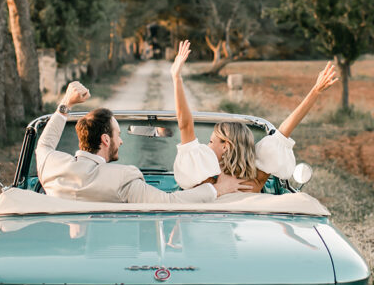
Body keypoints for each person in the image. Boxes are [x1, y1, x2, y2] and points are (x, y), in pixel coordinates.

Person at [36, 80, 247, 203]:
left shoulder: (50, 165)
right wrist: (217, 190)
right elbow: (170, 203)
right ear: (106, 140)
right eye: (119, 135)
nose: (122, 142)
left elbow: (44, 145)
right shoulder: (123, 179)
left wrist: (66, 103)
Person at [170, 40, 338, 193]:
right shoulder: (256, 181)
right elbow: (284, 131)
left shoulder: (206, 182)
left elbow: (185, 125)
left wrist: (176, 78)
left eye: (211, 141)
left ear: (226, 147)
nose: (206, 145)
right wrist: (315, 91)